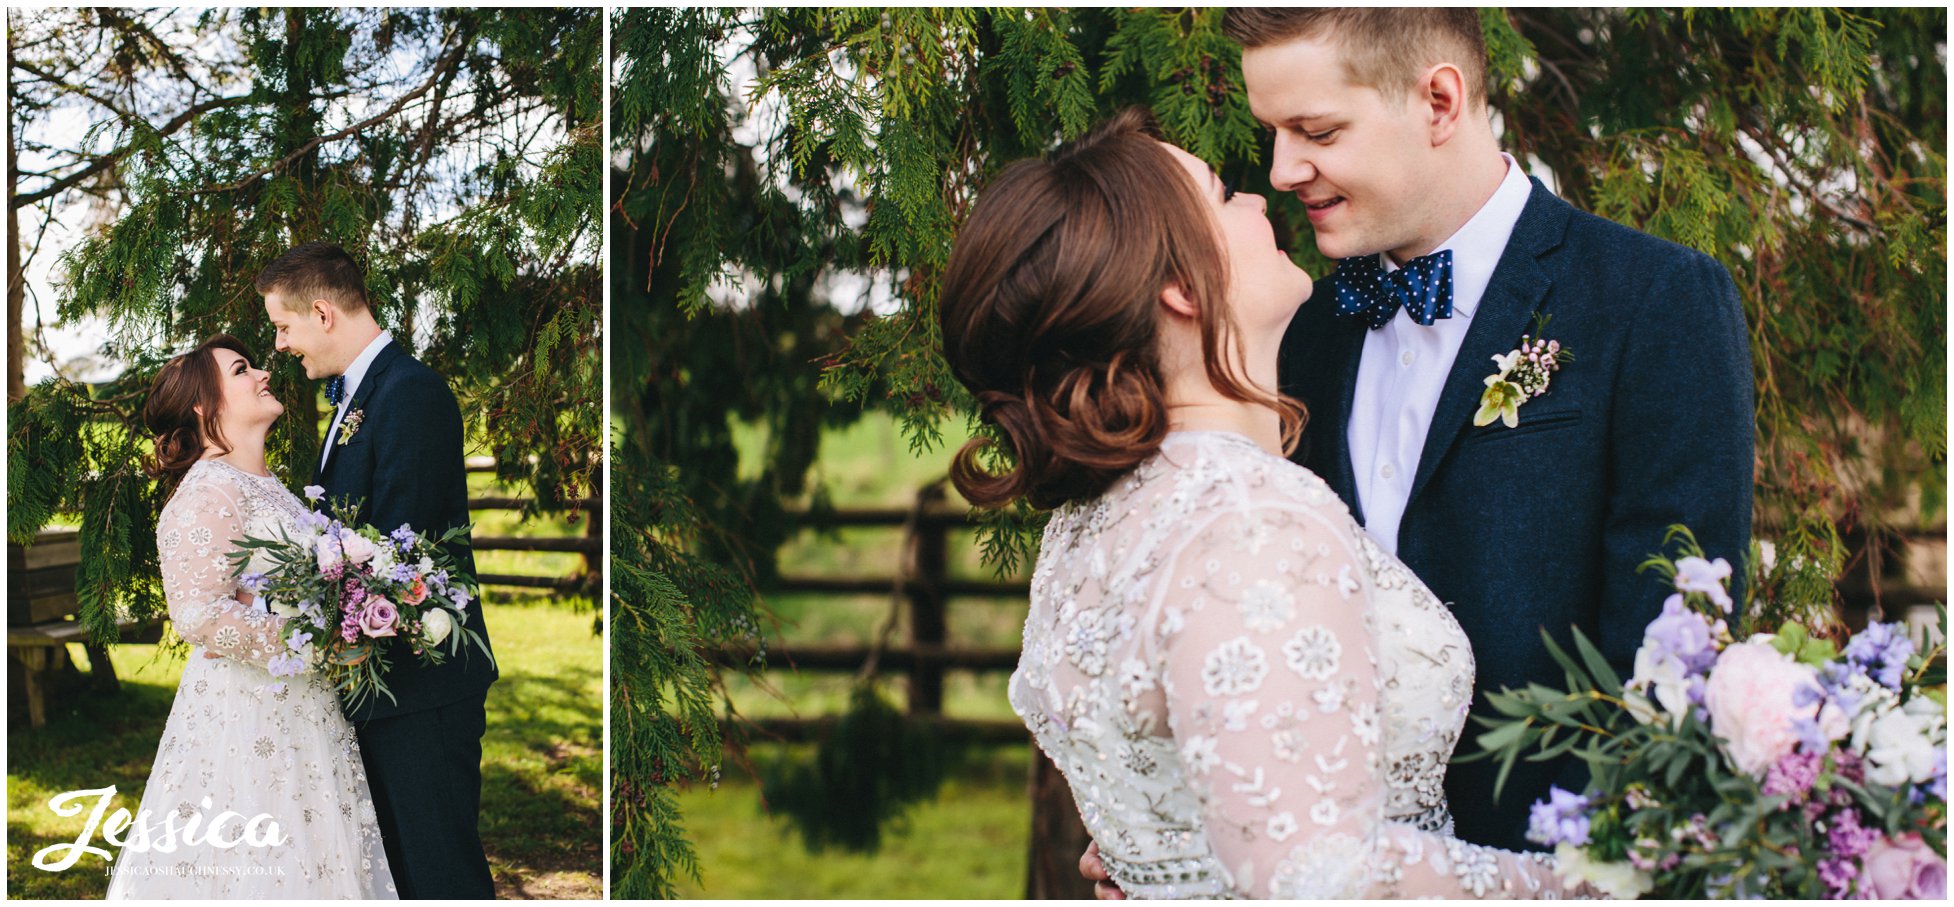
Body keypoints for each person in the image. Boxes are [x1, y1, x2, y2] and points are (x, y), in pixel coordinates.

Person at [940, 108, 1591, 898]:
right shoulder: (1252, 522)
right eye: (1221, 197)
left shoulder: (1089, 526)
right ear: (1180, 286)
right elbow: (1322, 877)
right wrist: (1602, 888)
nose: (1261, 199)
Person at [1233, 7, 1755, 855]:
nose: (1284, 168)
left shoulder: (1656, 302)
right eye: (1274, 132)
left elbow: (1671, 651)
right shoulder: (1302, 329)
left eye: (1316, 130)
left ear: (1440, 101)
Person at [109, 335, 395, 898]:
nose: (263, 373)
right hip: (247, 716)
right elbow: (198, 614)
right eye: (242, 370)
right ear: (203, 405)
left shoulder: (268, 485)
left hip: (305, 712)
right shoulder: (209, 489)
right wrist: (316, 642)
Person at [259, 242, 498, 898]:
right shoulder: (360, 395)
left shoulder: (409, 393)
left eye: (284, 326)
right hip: (383, 693)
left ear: (322, 312)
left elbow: (400, 550)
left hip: (421, 692)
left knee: (440, 875)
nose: (280, 344)